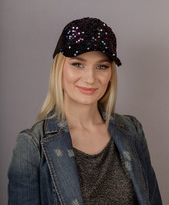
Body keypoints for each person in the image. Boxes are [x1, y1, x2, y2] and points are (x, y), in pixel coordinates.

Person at [8, 17, 162, 205]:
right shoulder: (32, 146)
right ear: (59, 69)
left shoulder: (132, 130)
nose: (90, 78)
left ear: (111, 74)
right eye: (78, 64)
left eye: (102, 66)